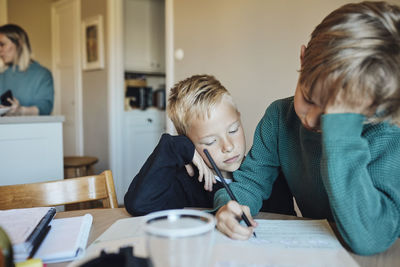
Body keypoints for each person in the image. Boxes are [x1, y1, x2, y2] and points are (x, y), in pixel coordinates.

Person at [214, 1, 400, 255]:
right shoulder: (279, 116)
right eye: (309, 98)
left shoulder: (388, 134)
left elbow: (370, 240)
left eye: (333, 117)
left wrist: (341, 135)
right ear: (303, 59)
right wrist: (228, 206)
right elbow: (250, 183)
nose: (311, 120)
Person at [124, 74, 294, 216]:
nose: (228, 146)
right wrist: (176, 147)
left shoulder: (266, 173)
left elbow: (288, 223)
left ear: (239, 117)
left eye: (233, 130)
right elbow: (139, 204)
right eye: (210, 141)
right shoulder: (186, 183)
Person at [0, 24, 54, 116]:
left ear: (19, 44)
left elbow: (45, 108)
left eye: (2, 44)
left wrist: (21, 110)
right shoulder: (2, 74)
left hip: (31, 129)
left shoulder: (42, 74)